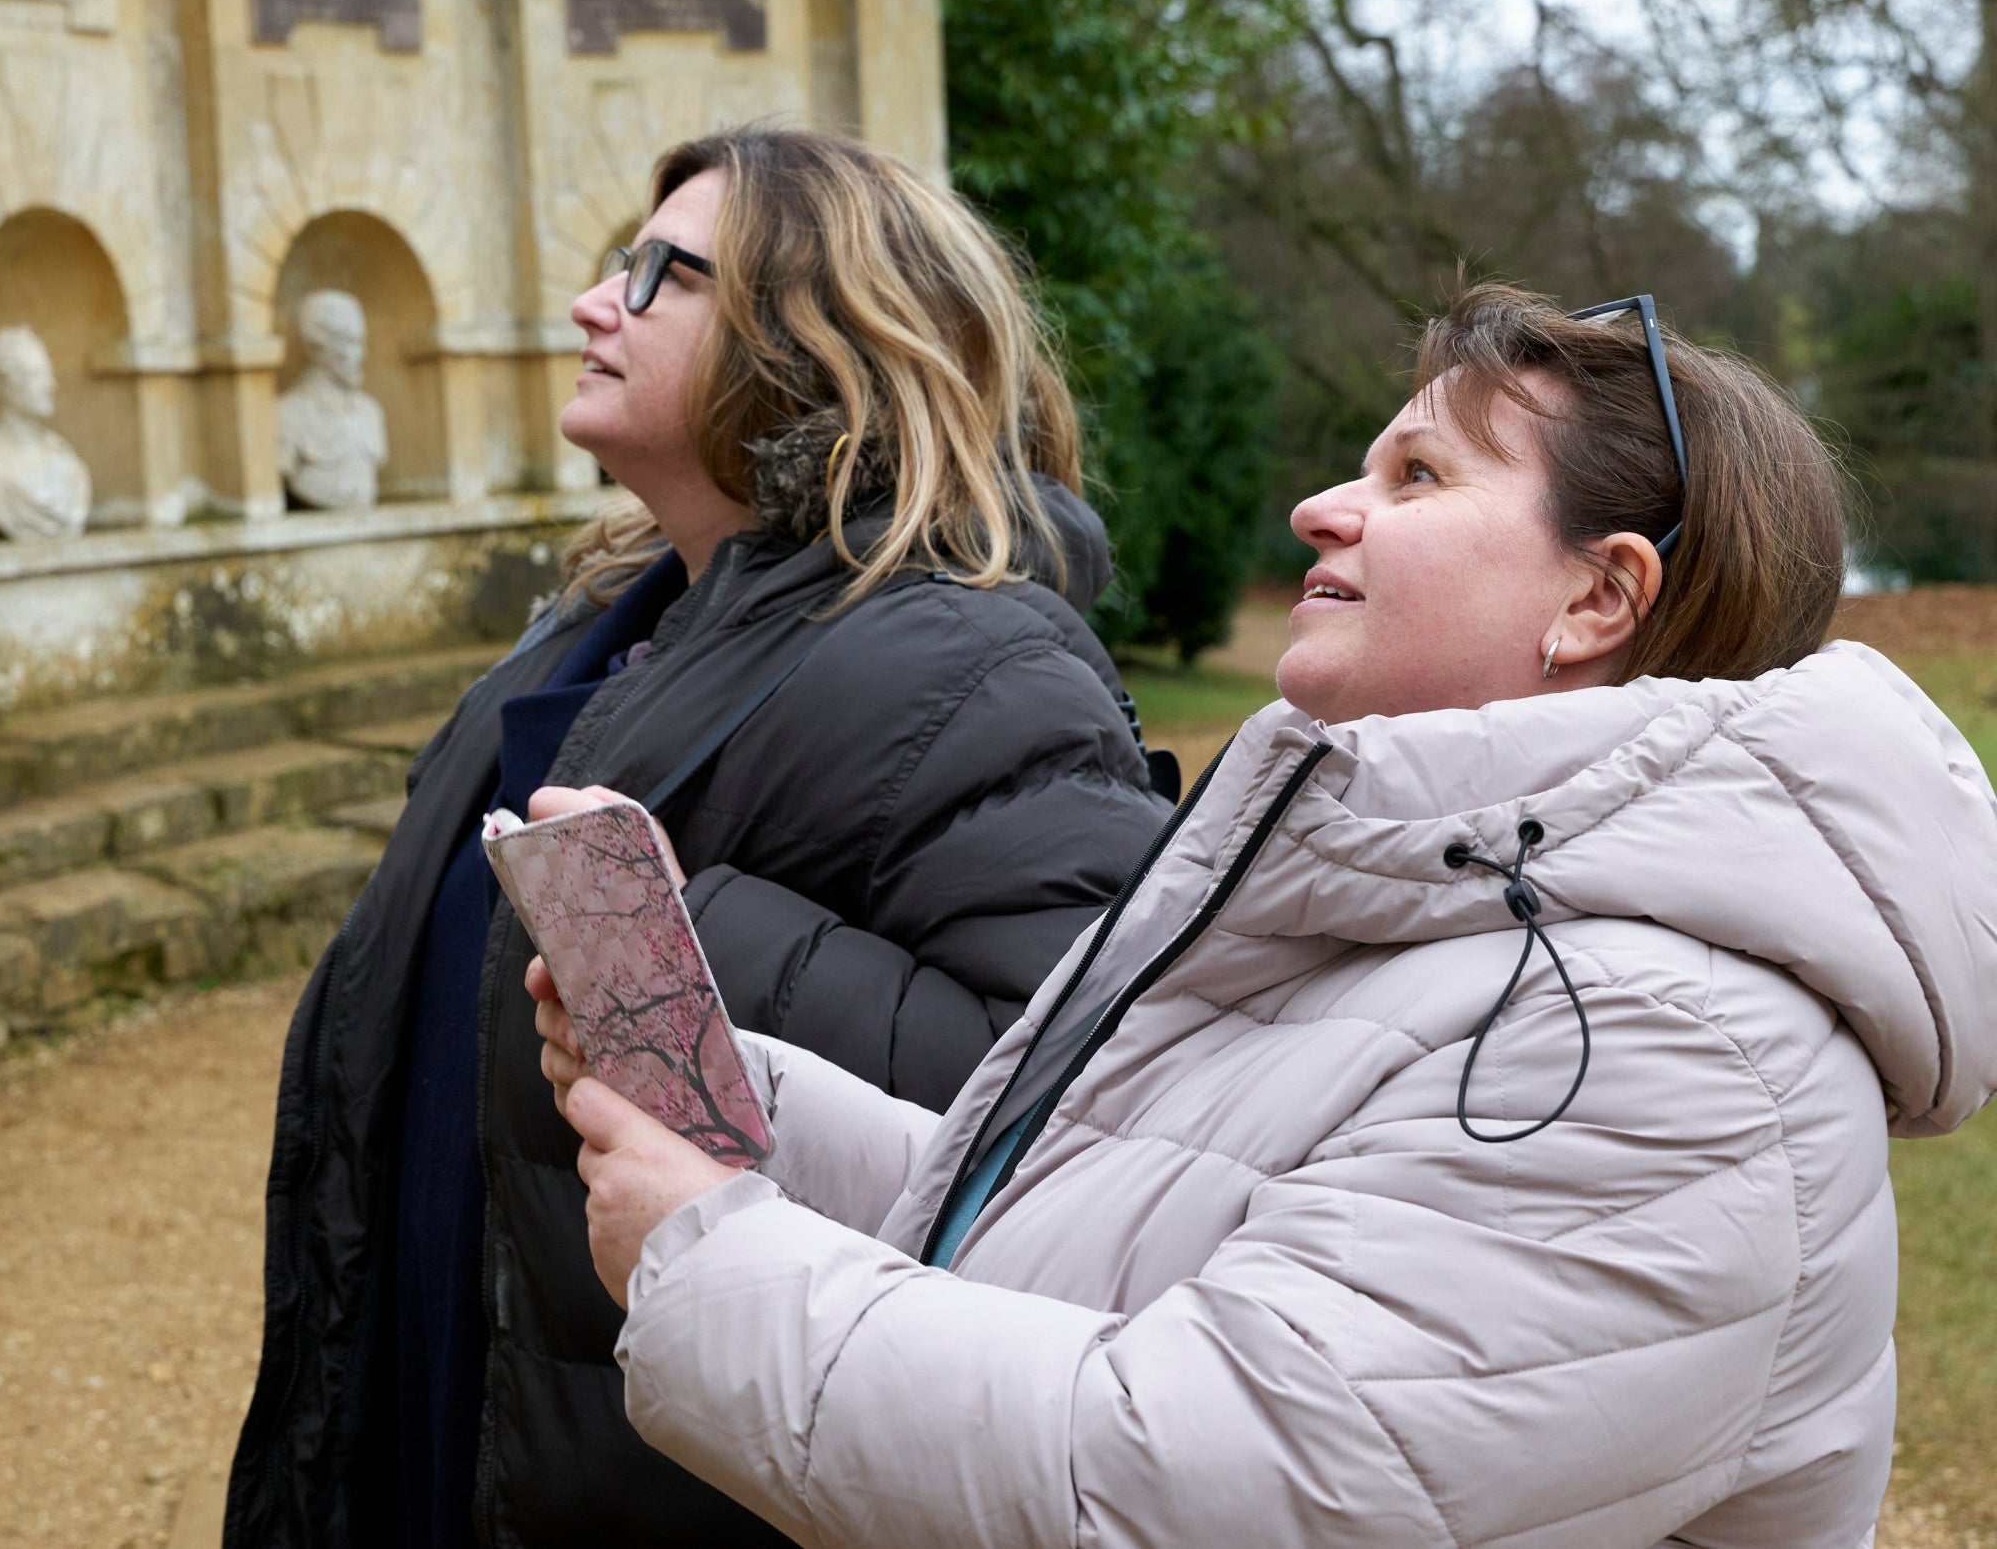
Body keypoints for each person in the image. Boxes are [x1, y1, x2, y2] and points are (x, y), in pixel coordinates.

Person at [534, 281, 1997, 1548]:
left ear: (1597, 602)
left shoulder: (1661, 1048)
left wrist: (706, 1254)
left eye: (1418, 476)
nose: (1320, 507)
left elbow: (1197, 1490)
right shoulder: (1400, 927)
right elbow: (1079, 1214)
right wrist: (735, 1093)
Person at [225, 128, 1174, 1548]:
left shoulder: (976, 665)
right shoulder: (598, 628)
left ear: (819, 340)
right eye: (622, 260)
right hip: (444, 1401)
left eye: (664, 275)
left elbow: (1065, 1119)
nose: (595, 303)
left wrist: (679, 929)